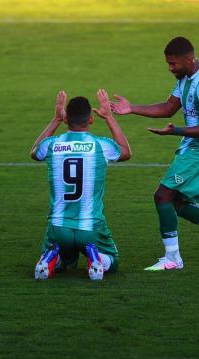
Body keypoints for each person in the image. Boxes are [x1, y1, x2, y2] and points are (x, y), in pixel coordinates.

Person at [111, 36, 199, 270]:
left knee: (162, 196)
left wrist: (176, 131)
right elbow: (169, 107)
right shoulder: (185, 77)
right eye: (168, 64)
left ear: (189, 59)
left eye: (174, 64)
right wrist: (132, 108)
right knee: (177, 202)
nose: (170, 68)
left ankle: (173, 259)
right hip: (191, 145)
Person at [31, 89, 131, 281]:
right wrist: (109, 117)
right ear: (91, 120)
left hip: (58, 227)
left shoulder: (51, 144)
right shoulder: (101, 145)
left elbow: (34, 151)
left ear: (66, 118)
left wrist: (55, 120)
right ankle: (96, 259)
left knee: (65, 260)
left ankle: (51, 258)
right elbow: (125, 152)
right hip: (91, 227)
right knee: (113, 260)